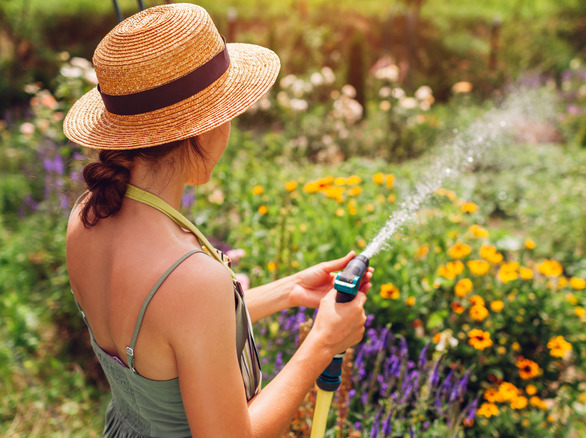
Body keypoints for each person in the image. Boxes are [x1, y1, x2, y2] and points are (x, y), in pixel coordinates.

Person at [62, 4, 372, 437]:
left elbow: (167, 336)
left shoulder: (86, 217)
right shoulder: (190, 278)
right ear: (203, 129)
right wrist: (323, 343)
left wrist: (289, 291)